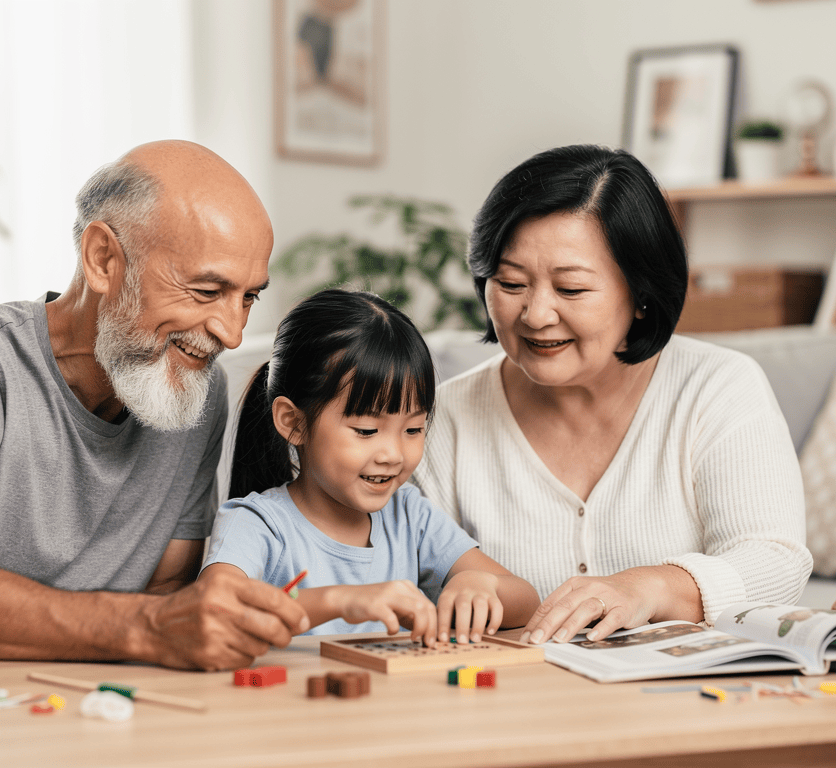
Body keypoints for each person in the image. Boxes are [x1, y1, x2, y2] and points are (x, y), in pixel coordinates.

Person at [0, 140, 309, 667]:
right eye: (207, 292)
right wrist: (147, 628)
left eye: (249, 297)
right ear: (103, 259)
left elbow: (167, 597)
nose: (231, 334)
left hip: (58, 709)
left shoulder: (194, 395)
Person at [412, 145, 812, 647]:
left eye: (571, 290)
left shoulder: (717, 387)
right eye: (510, 283)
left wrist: (647, 587)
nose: (535, 314)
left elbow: (776, 562)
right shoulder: (441, 419)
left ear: (640, 294)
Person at [200, 289, 539, 645]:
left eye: (413, 429)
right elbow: (213, 610)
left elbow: (526, 601)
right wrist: (339, 600)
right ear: (293, 422)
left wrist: (481, 583)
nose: (393, 453)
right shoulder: (257, 523)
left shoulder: (409, 516)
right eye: (366, 430)